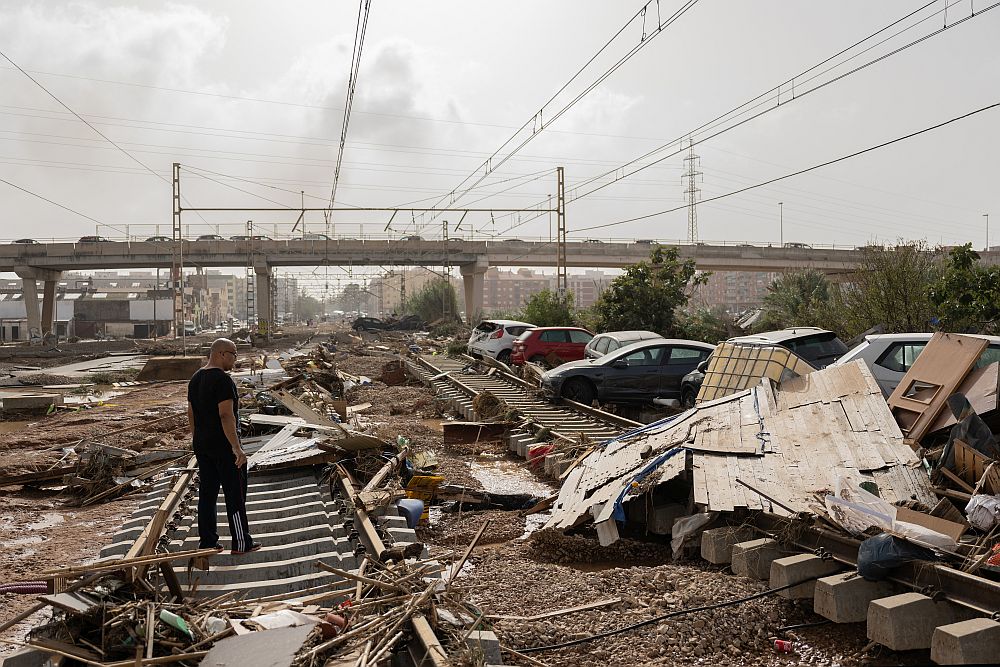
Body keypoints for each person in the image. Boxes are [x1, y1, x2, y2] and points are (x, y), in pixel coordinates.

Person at [187, 338, 260, 554]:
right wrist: (236, 448)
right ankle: (241, 542)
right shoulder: (223, 380)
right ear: (220, 353)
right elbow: (226, 414)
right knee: (234, 494)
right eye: (234, 354)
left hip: (203, 445)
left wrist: (198, 438)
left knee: (207, 496)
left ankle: (207, 542)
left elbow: (191, 413)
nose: (235, 360)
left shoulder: (196, 378)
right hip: (224, 447)